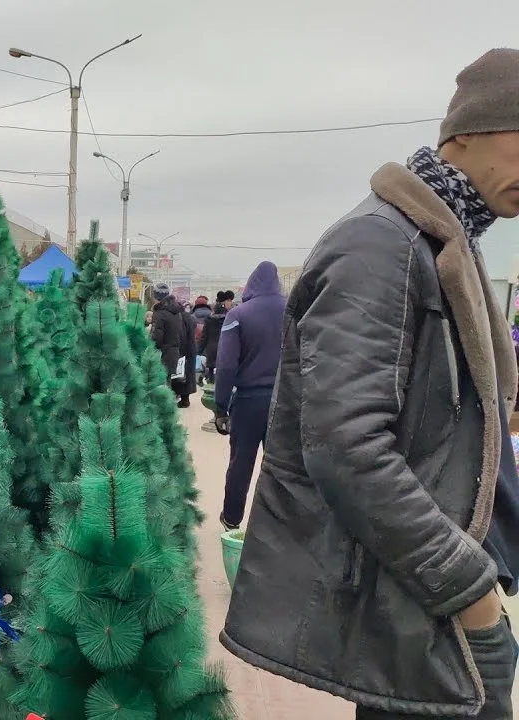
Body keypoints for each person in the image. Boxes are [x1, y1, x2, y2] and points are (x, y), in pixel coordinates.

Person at [222, 49, 519, 720]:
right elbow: (347, 449)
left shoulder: (446, 240)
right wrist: (466, 587)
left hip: (434, 599)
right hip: (433, 600)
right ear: (465, 133)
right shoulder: (381, 245)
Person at [212, 262, 285, 530]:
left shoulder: (239, 315)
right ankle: (276, 525)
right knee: (280, 466)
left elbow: (227, 365)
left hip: (248, 402)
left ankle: (232, 519)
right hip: (283, 402)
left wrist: (221, 407)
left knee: (241, 463)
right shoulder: (294, 312)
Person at [149, 282, 196, 407]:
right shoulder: (176, 312)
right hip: (175, 350)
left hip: (163, 351)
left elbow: (156, 336)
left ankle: (164, 407)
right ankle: (168, 406)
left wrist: (150, 345)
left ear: (156, 296)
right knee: (169, 378)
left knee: (162, 379)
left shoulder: (160, 313)